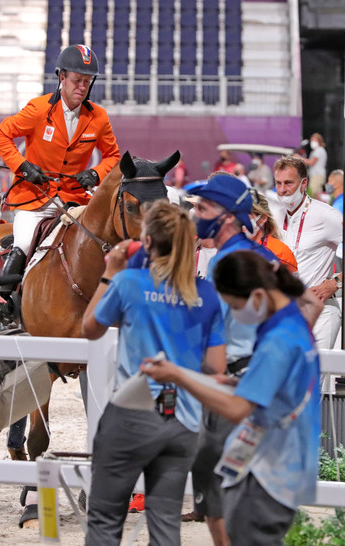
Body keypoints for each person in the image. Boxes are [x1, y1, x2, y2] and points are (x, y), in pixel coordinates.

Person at [141, 250, 321, 546]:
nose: (235, 315)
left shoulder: (278, 340)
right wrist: (233, 382)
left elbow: (238, 410)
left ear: (258, 295)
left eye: (235, 306)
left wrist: (179, 376)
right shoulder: (292, 324)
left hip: (266, 471)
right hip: (286, 462)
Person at [82, 200, 226, 546]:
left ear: (146, 242)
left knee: (104, 519)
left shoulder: (129, 282)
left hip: (133, 410)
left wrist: (109, 272)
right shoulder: (205, 293)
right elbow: (216, 367)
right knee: (165, 525)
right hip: (182, 419)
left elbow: (90, 327)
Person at [182, 174, 291, 544]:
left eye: (203, 207)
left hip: (233, 386)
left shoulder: (226, 264)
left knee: (219, 498)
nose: (195, 214)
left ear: (227, 216)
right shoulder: (265, 255)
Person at [0, 44, 120, 278]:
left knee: (98, 242)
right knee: (24, 244)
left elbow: (113, 157)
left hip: (74, 200)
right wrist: (23, 166)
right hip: (35, 198)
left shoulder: (99, 117)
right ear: (62, 77)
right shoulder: (38, 110)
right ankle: (4, 297)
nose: (82, 87)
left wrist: (95, 174)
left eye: (87, 81)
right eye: (77, 80)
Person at [273, 155, 345, 354]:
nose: (282, 189)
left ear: (304, 183)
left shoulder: (326, 215)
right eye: (278, 183)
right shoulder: (276, 215)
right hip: (285, 312)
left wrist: (335, 283)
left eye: (288, 183)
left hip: (319, 312)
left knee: (312, 382)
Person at [248, 191, 298, 274]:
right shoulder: (232, 246)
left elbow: (293, 286)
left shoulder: (280, 252)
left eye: (247, 215)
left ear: (263, 218)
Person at [304, 133, 328, 197]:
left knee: (312, 192)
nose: (312, 142)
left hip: (317, 175)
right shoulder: (315, 151)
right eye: (312, 141)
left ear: (319, 141)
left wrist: (300, 158)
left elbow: (312, 162)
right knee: (317, 194)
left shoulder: (319, 150)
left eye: (314, 140)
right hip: (315, 174)